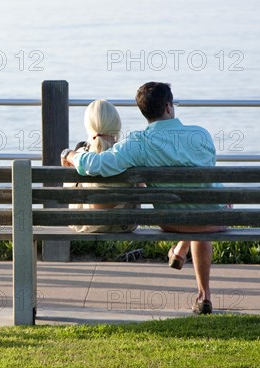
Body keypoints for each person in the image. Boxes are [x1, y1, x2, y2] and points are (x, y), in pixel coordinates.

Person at [60, 82, 224, 315]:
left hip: (172, 222)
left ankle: (180, 249)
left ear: (144, 112)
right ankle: (204, 294)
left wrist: (70, 154)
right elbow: (206, 179)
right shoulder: (201, 134)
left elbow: (94, 164)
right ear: (169, 106)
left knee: (189, 208)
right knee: (203, 203)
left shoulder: (139, 142)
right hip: (214, 220)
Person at [64, 99, 138, 233]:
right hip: (124, 225)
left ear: (88, 125)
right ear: (116, 125)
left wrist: (67, 154)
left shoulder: (78, 157)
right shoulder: (127, 156)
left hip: (85, 225)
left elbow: (68, 193)